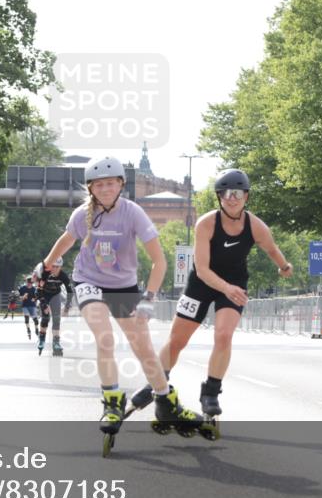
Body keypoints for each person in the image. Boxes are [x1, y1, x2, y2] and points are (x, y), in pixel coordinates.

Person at [40, 155, 205, 456]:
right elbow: (66, 240)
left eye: (110, 183)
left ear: (121, 185)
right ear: (91, 188)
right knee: (104, 338)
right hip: (88, 281)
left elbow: (159, 261)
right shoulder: (82, 214)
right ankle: (112, 402)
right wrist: (46, 264)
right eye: (99, 185)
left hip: (125, 287)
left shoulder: (134, 213)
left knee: (143, 349)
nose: (105, 189)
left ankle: (167, 402)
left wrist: (148, 300)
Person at [127, 168, 293, 436]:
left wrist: (284, 266)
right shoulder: (206, 223)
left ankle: (211, 393)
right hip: (201, 285)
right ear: (219, 197)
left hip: (235, 285)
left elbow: (272, 249)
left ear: (246, 197)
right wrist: (225, 288)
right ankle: (155, 384)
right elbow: (202, 270)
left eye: (237, 194)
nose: (231, 198)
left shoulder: (255, 226)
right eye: (225, 194)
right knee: (178, 340)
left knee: (224, 335)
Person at [35, 258, 74, 356]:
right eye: (53, 266)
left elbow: (70, 292)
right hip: (44, 295)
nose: (55, 269)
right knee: (45, 317)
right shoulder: (45, 274)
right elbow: (38, 291)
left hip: (55, 295)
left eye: (57, 267)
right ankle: (42, 338)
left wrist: (66, 308)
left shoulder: (63, 276)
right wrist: (44, 305)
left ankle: (56, 342)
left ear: (61, 267)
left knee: (57, 319)